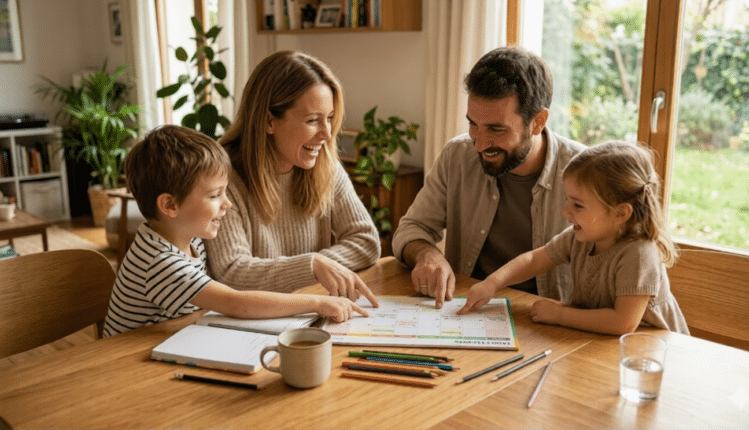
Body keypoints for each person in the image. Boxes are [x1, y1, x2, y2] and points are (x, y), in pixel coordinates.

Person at [103, 125, 370, 337]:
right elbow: (235, 302)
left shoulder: (187, 235)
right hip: (124, 366)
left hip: (172, 339)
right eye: (215, 195)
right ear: (170, 205)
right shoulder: (159, 262)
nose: (227, 203)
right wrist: (317, 303)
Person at [392, 45, 586, 308]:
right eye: (473, 124)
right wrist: (427, 253)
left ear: (538, 122)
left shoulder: (586, 172)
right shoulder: (457, 155)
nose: (480, 144)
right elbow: (412, 228)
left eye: (496, 129)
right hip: (466, 308)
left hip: (550, 320)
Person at [457, 141, 690, 335]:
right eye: (568, 200)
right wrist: (491, 283)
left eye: (577, 205)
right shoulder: (581, 237)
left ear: (621, 213)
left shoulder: (639, 253)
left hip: (653, 356)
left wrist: (560, 314)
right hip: (603, 344)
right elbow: (534, 260)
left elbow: (623, 323)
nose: (566, 212)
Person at [205, 51, 380, 306]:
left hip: (314, 307)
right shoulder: (222, 178)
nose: (327, 134)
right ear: (269, 121)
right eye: (313, 120)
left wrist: (320, 266)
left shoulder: (325, 167)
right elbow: (232, 272)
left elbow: (366, 241)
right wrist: (312, 267)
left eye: (330, 118)